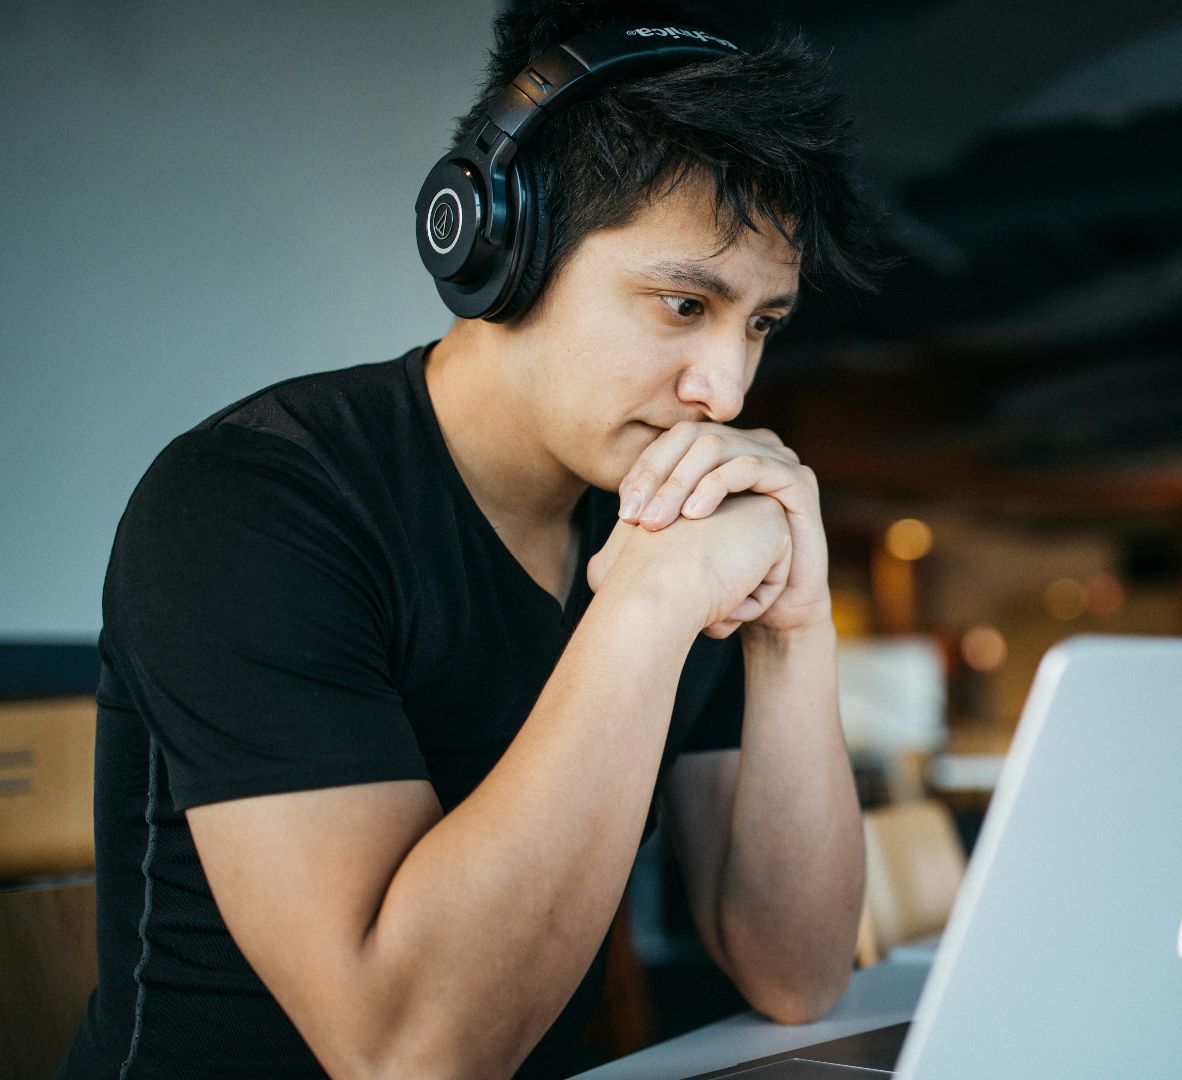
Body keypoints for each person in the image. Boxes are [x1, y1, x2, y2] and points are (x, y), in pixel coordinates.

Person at [60, 2, 890, 1076]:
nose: (724, 389)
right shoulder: (249, 503)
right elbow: (410, 1052)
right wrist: (641, 609)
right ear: (507, 247)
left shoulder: (673, 515)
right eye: (686, 304)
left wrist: (793, 627)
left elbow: (799, 973)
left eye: (761, 325)